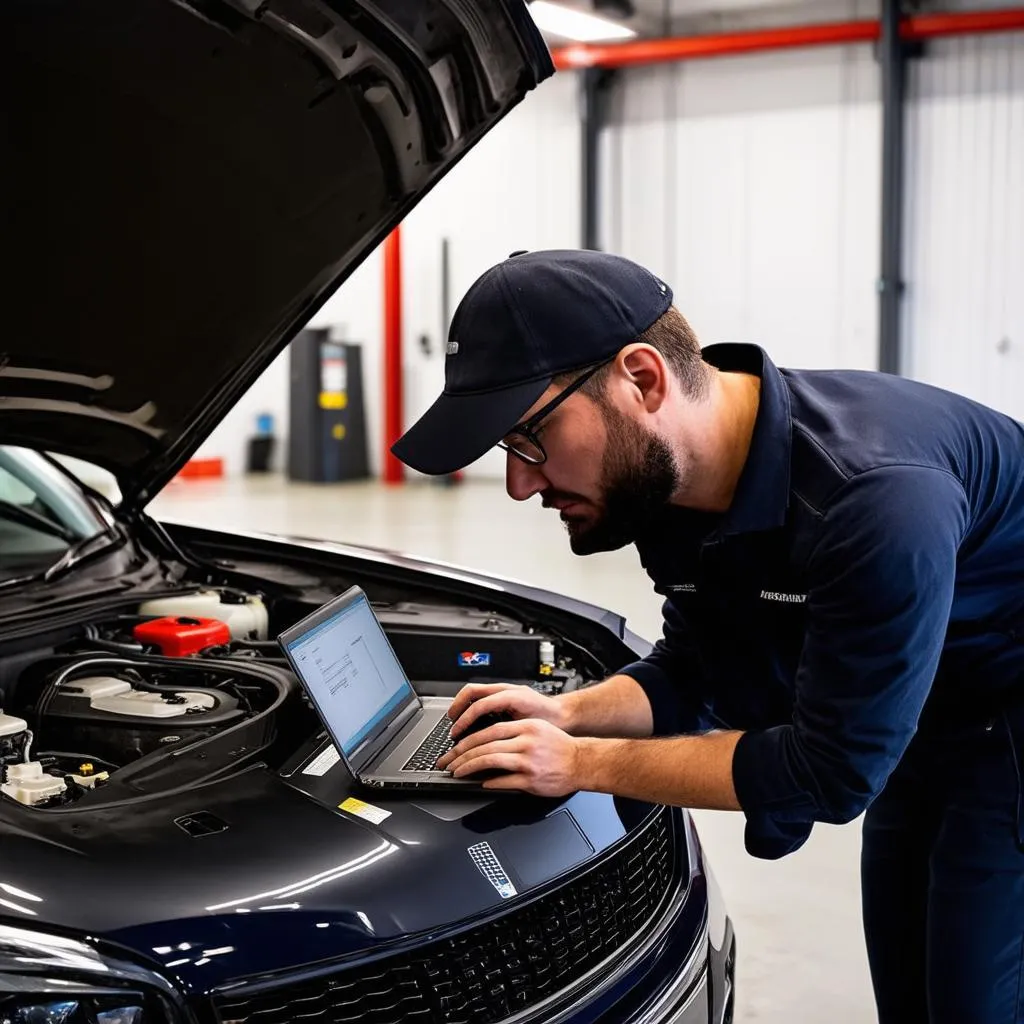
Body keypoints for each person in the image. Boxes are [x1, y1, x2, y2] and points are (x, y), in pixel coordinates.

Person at [390, 248, 1024, 1024]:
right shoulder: (666, 486)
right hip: (918, 707)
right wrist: (567, 715)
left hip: (1009, 712)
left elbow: (829, 772)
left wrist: (582, 765)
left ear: (644, 379)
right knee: (907, 974)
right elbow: (695, 670)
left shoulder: (876, 499)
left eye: (530, 437)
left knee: (970, 997)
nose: (521, 484)